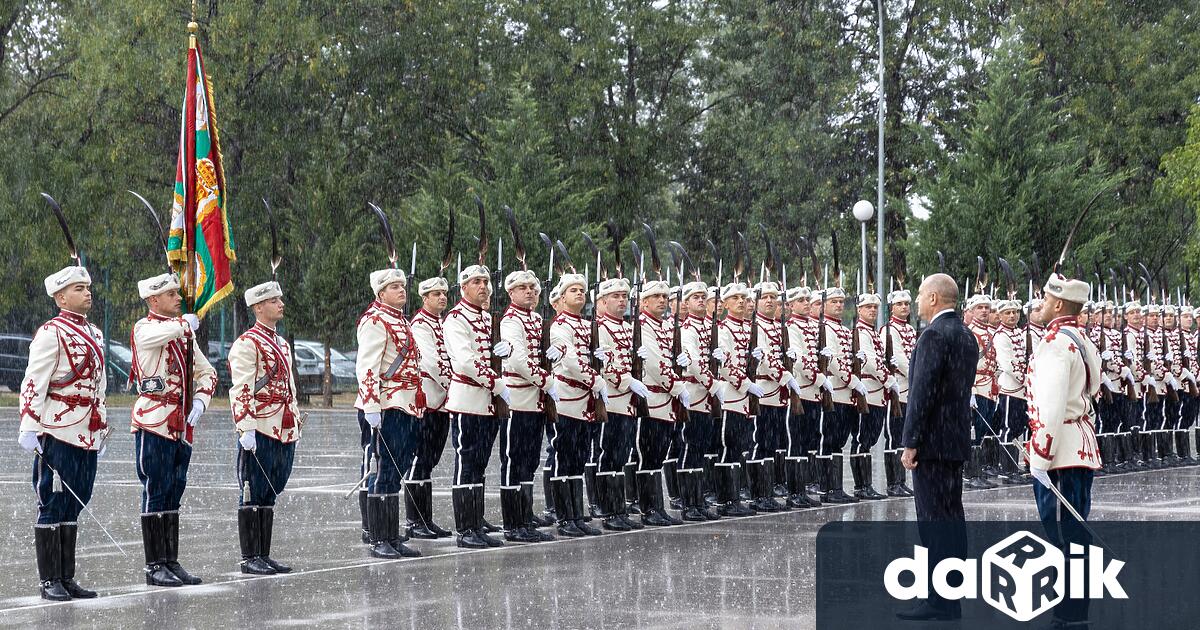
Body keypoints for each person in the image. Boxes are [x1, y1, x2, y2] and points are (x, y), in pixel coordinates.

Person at [18, 265, 109, 601]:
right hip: (57, 429)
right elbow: (34, 380)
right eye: (79, 288)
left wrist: (100, 429)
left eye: (87, 287)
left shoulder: (96, 334)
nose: (88, 292)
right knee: (52, 502)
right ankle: (49, 580)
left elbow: (98, 386)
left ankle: (66, 577)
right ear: (60, 296)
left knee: (76, 501)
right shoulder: (50, 333)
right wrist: (29, 424)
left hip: (86, 430)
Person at [897, 273, 977, 622]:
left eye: (919, 294)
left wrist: (910, 442)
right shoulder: (966, 335)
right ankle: (951, 596)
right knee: (952, 520)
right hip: (954, 439)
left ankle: (937, 599)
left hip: (932, 442)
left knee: (932, 523)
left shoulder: (933, 335)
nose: (916, 301)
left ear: (933, 298)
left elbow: (922, 394)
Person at [1025, 274, 1102, 628]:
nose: (1038, 305)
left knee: (1062, 535)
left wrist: (1039, 458)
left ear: (1058, 305)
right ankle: (1074, 610)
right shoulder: (1081, 338)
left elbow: (1052, 407)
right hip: (1079, 447)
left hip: (1060, 452)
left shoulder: (1056, 344)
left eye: (1043, 299)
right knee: (1074, 530)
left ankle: (1070, 614)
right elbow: (1095, 385)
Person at [130, 272, 216, 586]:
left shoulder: (182, 334)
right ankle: (155, 565)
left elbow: (207, 373)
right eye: (171, 295)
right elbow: (152, 338)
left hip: (180, 425)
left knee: (173, 492)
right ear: (154, 300)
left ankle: (170, 560)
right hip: (153, 421)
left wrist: (201, 402)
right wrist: (183, 325)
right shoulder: (146, 328)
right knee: (156, 490)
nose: (178, 299)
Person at [229, 281, 302, 575]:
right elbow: (242, 388)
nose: (281, 304)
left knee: (272, 489)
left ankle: (264, 553)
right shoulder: (247, 343)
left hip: (282, 425)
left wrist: (294, 418)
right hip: (260, 425)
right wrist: (245, 426)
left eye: (280, 299)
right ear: (259, 307)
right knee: (253, 490)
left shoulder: (281, 343)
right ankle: (250, 557)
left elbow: (289, 388)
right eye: (274, 300)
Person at [354, 268, 423, 559]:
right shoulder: (375, 320)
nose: (401, 291)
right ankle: (379, 537)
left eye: (402, 286)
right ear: (381, 293)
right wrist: (371, 405)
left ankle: (391, 536)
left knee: (396, 472)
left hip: (406, 404)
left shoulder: (400, 320)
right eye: (394, 287)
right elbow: (367, 366)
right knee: (383, 471)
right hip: (385, 404)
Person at [443, 264, 511, 548]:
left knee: (480, 464)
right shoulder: (456, 318)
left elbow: (493, 354)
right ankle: (465, 529)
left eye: (485, 281)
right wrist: (495, 383)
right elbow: (464, 362)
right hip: (468, 400)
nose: (483, 286)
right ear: (464, 287)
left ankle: (476, 523)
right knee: (466, 464)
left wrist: (506, 351)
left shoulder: (487, 318)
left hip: (487, 404)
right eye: (476, 282)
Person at [498, 270, 558, 542]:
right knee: (513, 461)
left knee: (530, 461)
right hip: (519, 399)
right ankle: (513, 523)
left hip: (536, 401)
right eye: (523, 288)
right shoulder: (510, 321)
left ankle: (526, 516)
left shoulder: (536, 319)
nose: (530, 292)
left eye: (533, 288)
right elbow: (519, 361)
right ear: (511, 293)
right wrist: (547, 381)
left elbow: (550, 350)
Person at [547, 273, 607, 536]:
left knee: (578, 459)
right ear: (562, 298)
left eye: (582, 291)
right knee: (564, 457)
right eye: (574, 290)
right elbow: (570, 361)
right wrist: (596, 380)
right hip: (567, 399)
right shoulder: (560, 325)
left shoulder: (585, 324)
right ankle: (564, 517)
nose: (580, 294)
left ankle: (575, 513)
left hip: (585, 400)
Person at [405, 277, 454, 538]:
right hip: (429, 400)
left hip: (442, 403)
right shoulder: (421, 325)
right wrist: (455, 385)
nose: (442, 298)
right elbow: (432, 364)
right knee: (419, 460)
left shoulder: (441, 323)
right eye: (436, 294)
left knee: (430, 461)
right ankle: (415, 521)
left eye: (444, 294)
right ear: (425, 298)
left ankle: (426, 518)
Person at [883, 288, 916, 497]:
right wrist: (916, 375)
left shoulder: (911, 330)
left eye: (906, 304)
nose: (904, 307)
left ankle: (901, 481)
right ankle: (892, 482)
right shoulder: (889, 330)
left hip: (910, 389)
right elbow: (901, 360)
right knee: (893, 437)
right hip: (898, 390)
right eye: (899, 304)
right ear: (891, 308)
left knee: (903, 436)